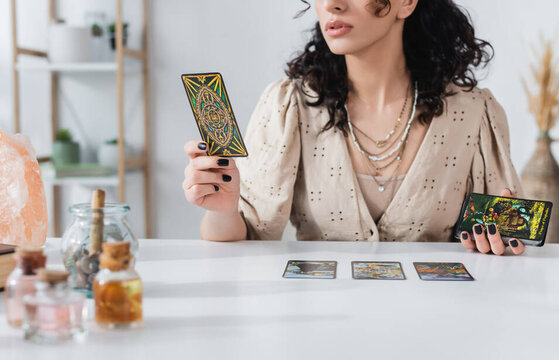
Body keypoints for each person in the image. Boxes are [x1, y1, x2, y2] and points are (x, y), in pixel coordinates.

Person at [183, 0, 525, 256]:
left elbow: (509, 241)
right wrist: (223, 209)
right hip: (318, 330)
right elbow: (245, 240)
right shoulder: (287, 106)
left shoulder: (474, 113)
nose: (332, 4)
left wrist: (500, 242)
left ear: (406, 3)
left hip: (437, 328)